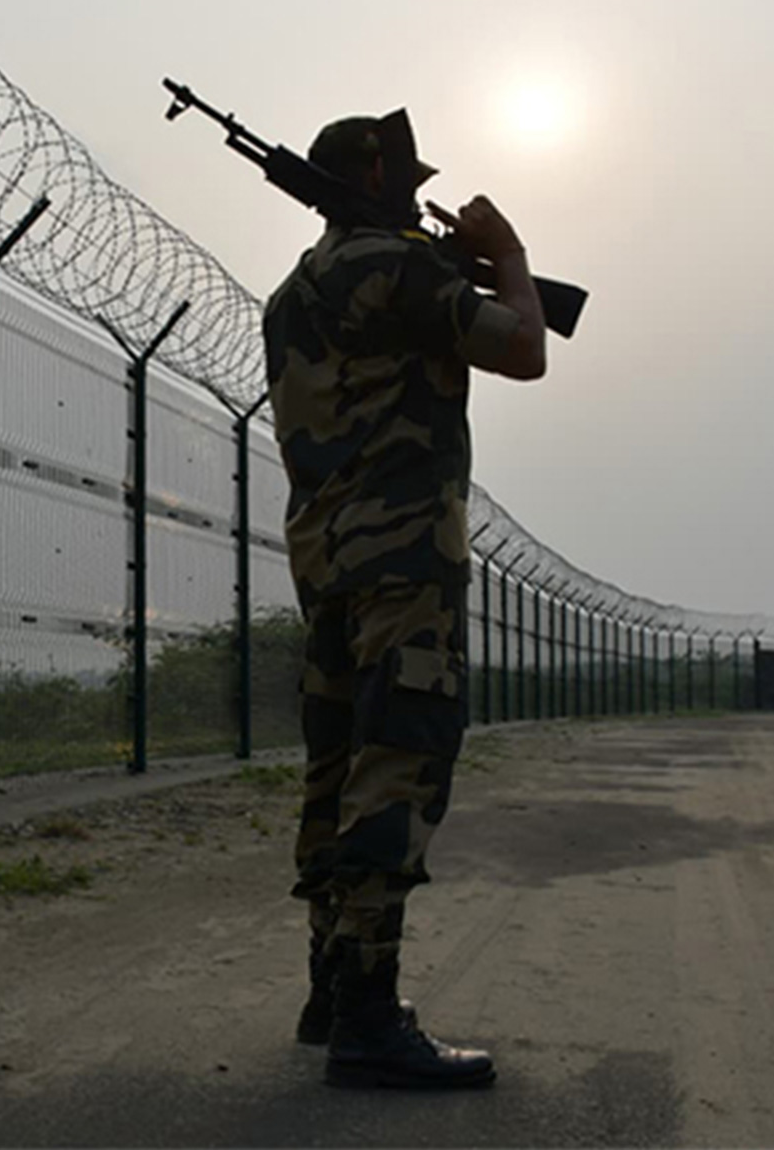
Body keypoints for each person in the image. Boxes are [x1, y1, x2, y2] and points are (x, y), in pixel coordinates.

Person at [262, 113, 548, 1089]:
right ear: (376, 171)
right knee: (397, 766)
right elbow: (524, 350)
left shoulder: (289, 295)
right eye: (406, 173)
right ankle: (370, 1021)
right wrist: (503, 254)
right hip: (407, 558)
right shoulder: (400, 267)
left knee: (336, 768)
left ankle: (330, 990)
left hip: (327, 561)